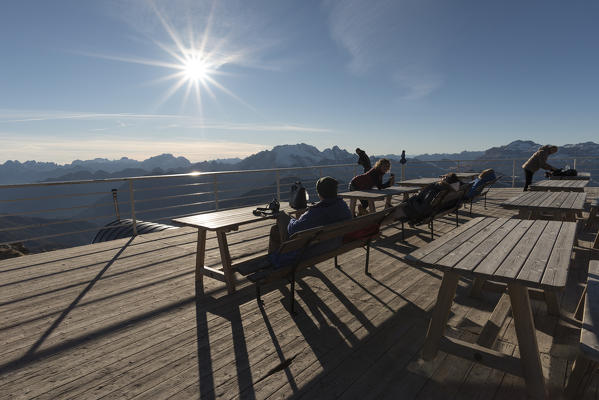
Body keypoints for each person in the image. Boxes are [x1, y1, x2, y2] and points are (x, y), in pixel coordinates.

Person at [268, 176, 352, 268]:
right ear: (335, 191)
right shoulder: (343, 206)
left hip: (313, 249)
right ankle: (274, 256)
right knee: (276, 229)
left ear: (319, 194)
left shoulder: (317, 212)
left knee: (282, 217)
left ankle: (275, 259)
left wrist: (291, 219)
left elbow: (293, 230)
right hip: (335, 243)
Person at [394, 173, 464, 223]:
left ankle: (395, 214)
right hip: (438, 210)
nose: (442, 178)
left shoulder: (437, 188)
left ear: (446, 180)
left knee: (402, 207)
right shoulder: (452, 190)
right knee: (405, 203)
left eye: (444, 177)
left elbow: (423, 208)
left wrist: (412, 201)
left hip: (423, 214)